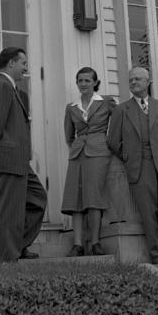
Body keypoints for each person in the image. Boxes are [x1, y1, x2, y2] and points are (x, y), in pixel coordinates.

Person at [107, 65, 158, 264]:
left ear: (148, 81)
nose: (134, 82)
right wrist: (128, 157)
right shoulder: (121, 110)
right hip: (139, 168)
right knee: (148, 214)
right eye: (131, 80)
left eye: (138, 79)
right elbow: (112, 141)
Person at [0, 47, 48, 262]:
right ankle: (7, 258)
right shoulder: (1, 86)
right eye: (23, 63)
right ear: (11, 63)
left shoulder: (12, 88)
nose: (26, 68)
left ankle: (17, 245)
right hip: (8, 159)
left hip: (19, 160)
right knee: (10, 211)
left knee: (37, 199)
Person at [61, 66, 116, 256]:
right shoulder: (71, 107)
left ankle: (95, 242)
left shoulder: (107, 102)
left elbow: (118, 125)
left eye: (87, 80)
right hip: (77, 154)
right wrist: (78, 146)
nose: (83, 84)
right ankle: (77, 245)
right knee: (75, 198)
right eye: (80, 81)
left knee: (94, 197)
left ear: (95, 82)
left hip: (99, 152)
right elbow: (69, 136)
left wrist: (108, 144)